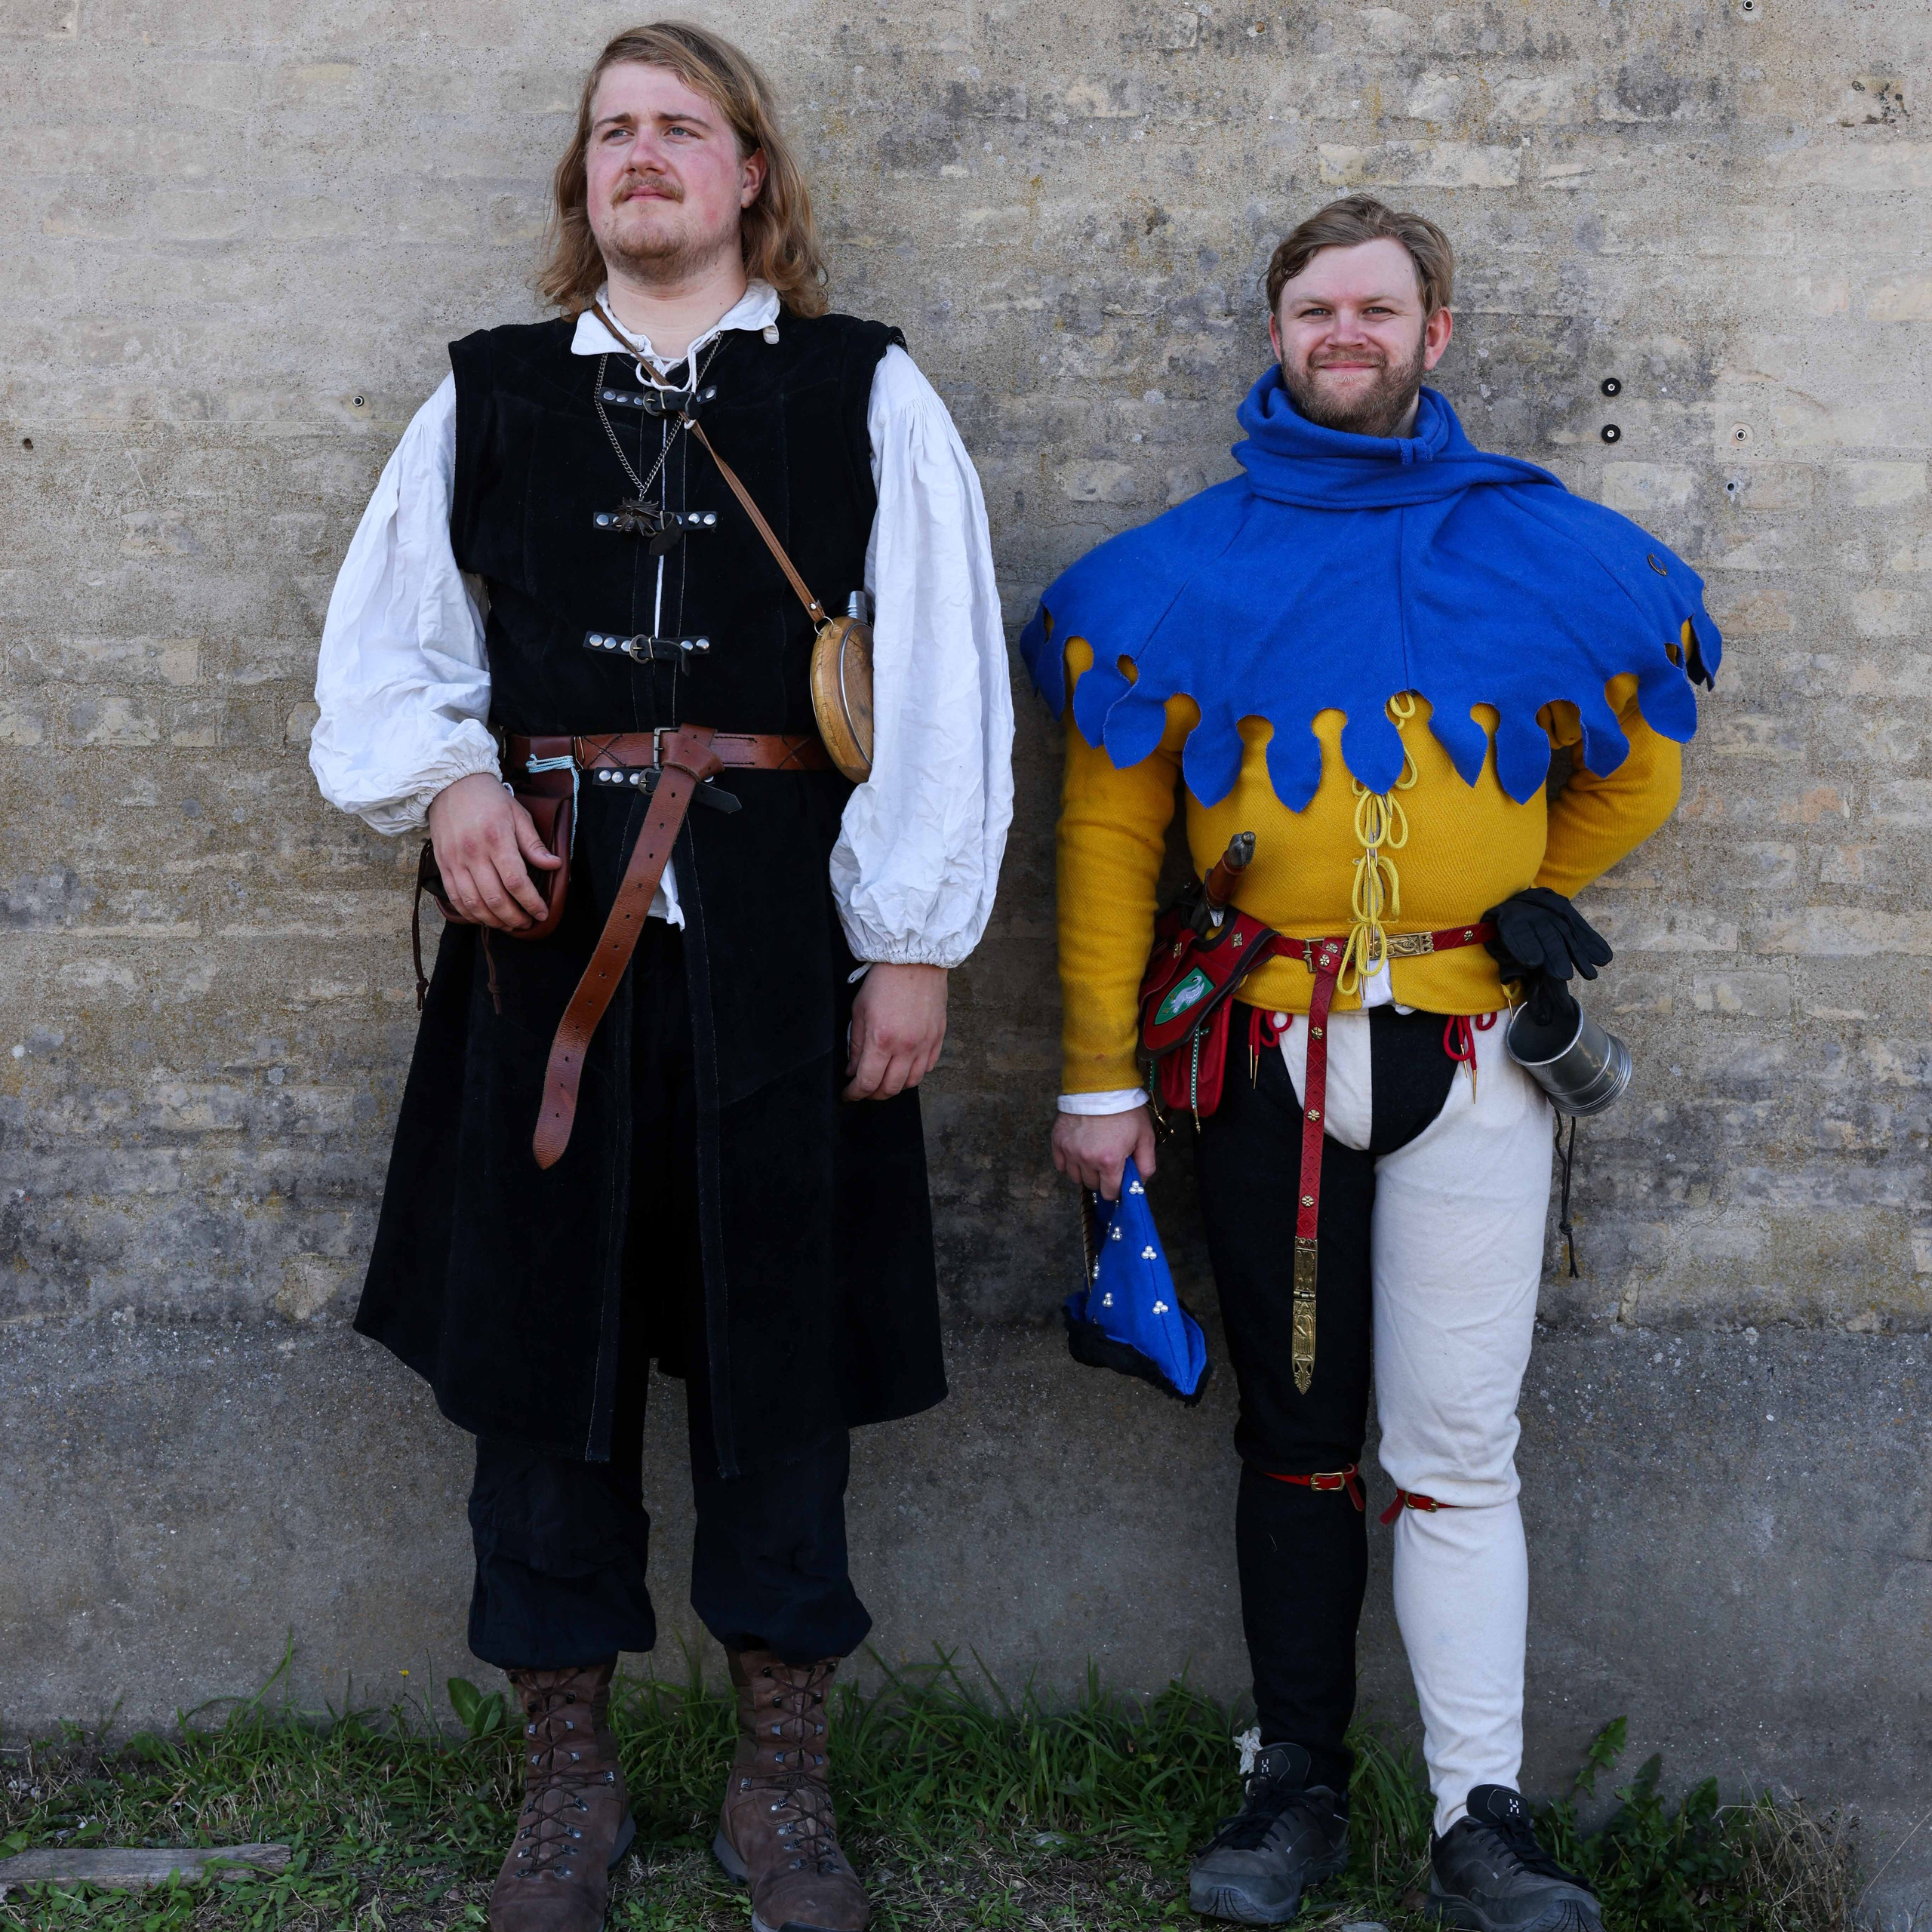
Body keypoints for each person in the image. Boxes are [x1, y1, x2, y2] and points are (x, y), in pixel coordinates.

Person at [309, 23, 1013, 1932]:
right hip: (543, 953)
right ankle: (569, 1787)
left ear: (747, 175)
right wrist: (449, 777)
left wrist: (912, 944)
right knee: (542, 1372)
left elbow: (941, 677)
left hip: (791, 958)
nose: (640, 156)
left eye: (677, 129)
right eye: (611, 131)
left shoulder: (866, 391)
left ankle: (778, 1790)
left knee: (781, 1368)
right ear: (583, 182)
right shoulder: (487, 397)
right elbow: (381, 651)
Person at [1026, 195, 1718, 1930]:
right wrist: (1094, 1075)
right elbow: (1110, 838)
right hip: (1263, 1052)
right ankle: (1294, 1784)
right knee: (1292, 1437)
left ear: (1436, 334)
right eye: (1314, 306)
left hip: (1471, 1048)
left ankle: (1477, 1812)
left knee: (1458, 1448)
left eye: (1377, 307)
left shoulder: (1541, 551)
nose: (1345, 332)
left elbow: (1633, 759)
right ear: (1277, 333)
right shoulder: (1173, 575)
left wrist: (1533, 886)